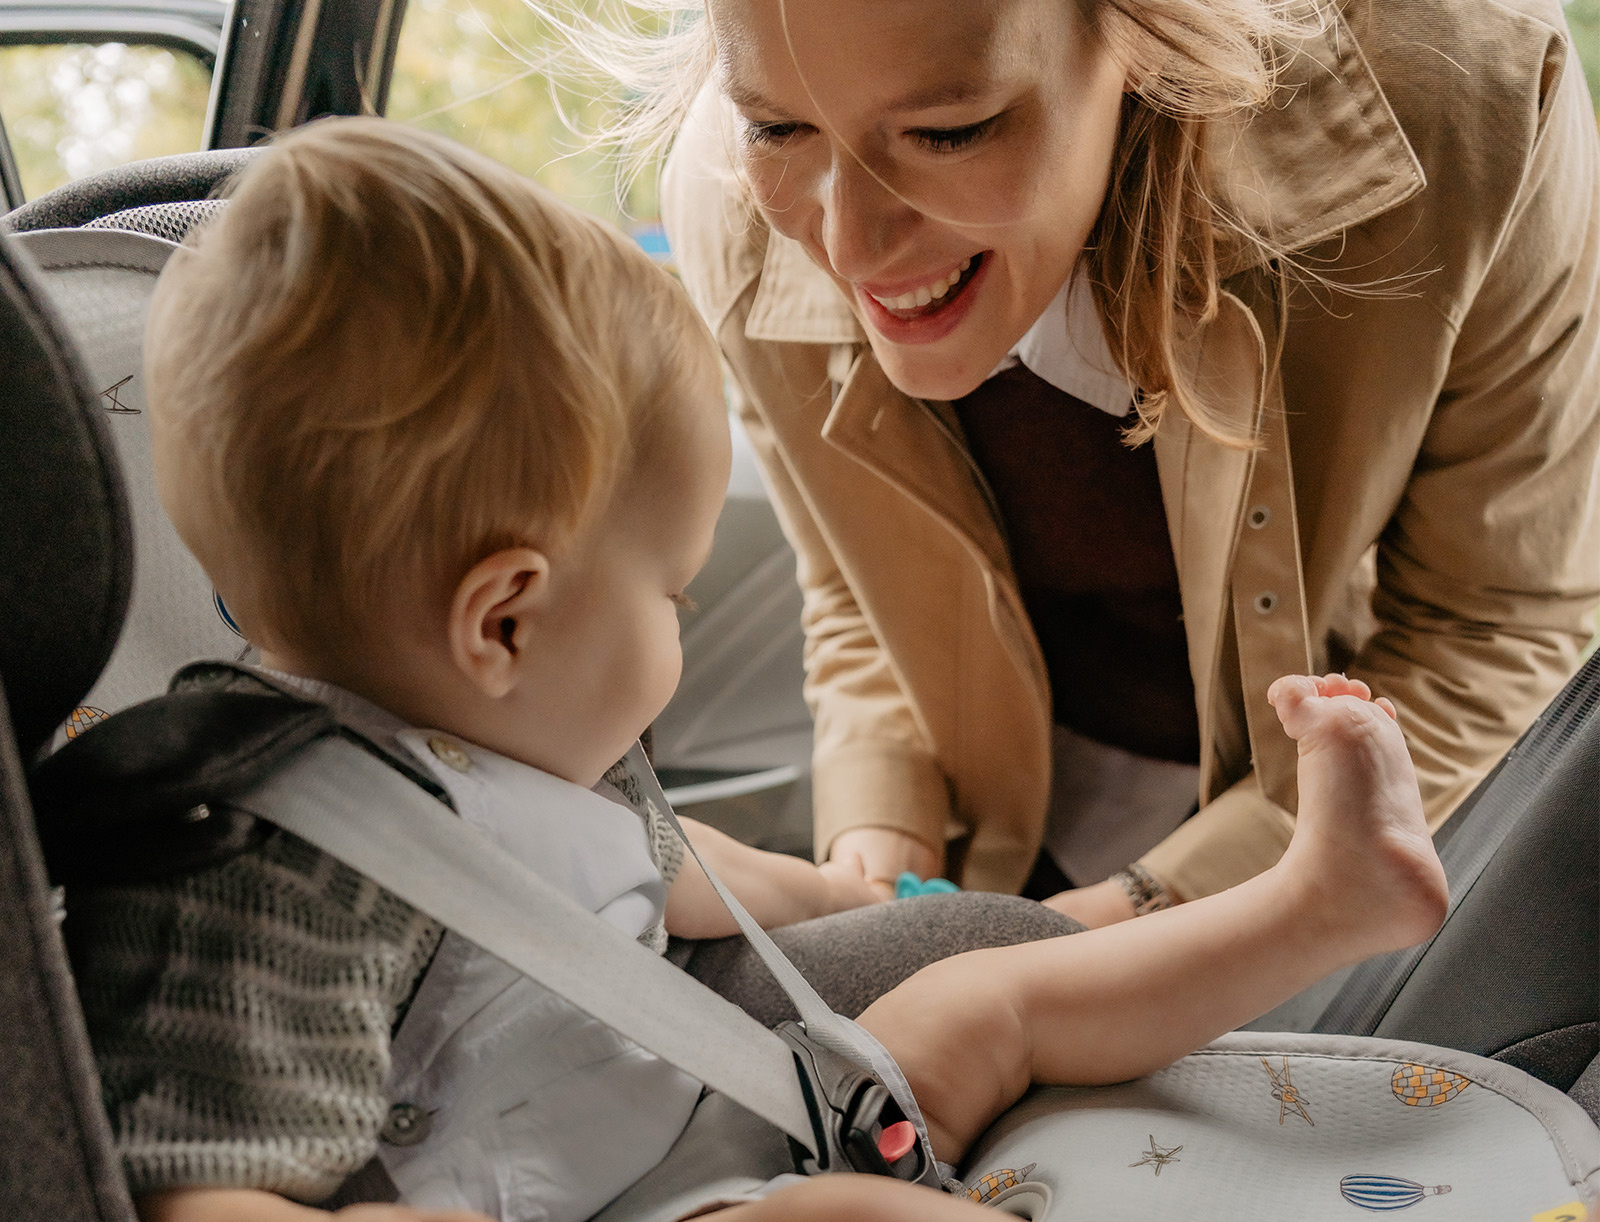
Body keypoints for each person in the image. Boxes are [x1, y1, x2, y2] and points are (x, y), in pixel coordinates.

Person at [81, 119, 1596, 1222]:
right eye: (671, 593)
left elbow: (680, 868)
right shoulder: (268, 867)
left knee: (988, 995)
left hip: (710, 1123)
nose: (678, 626)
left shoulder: (506, 750)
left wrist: (846, 896)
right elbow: (189, 1183)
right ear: (505, 620)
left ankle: (1319, 907)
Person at [629, 0, 1600, 925]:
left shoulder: (1469, 96)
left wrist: (1127, 925)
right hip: (1026, 828)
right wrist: (877, 867)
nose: (847, 246)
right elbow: (861, 584)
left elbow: (1491, 625)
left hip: (1378, 819)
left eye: (947, 132)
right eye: (776, 128)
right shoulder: (731, 207)